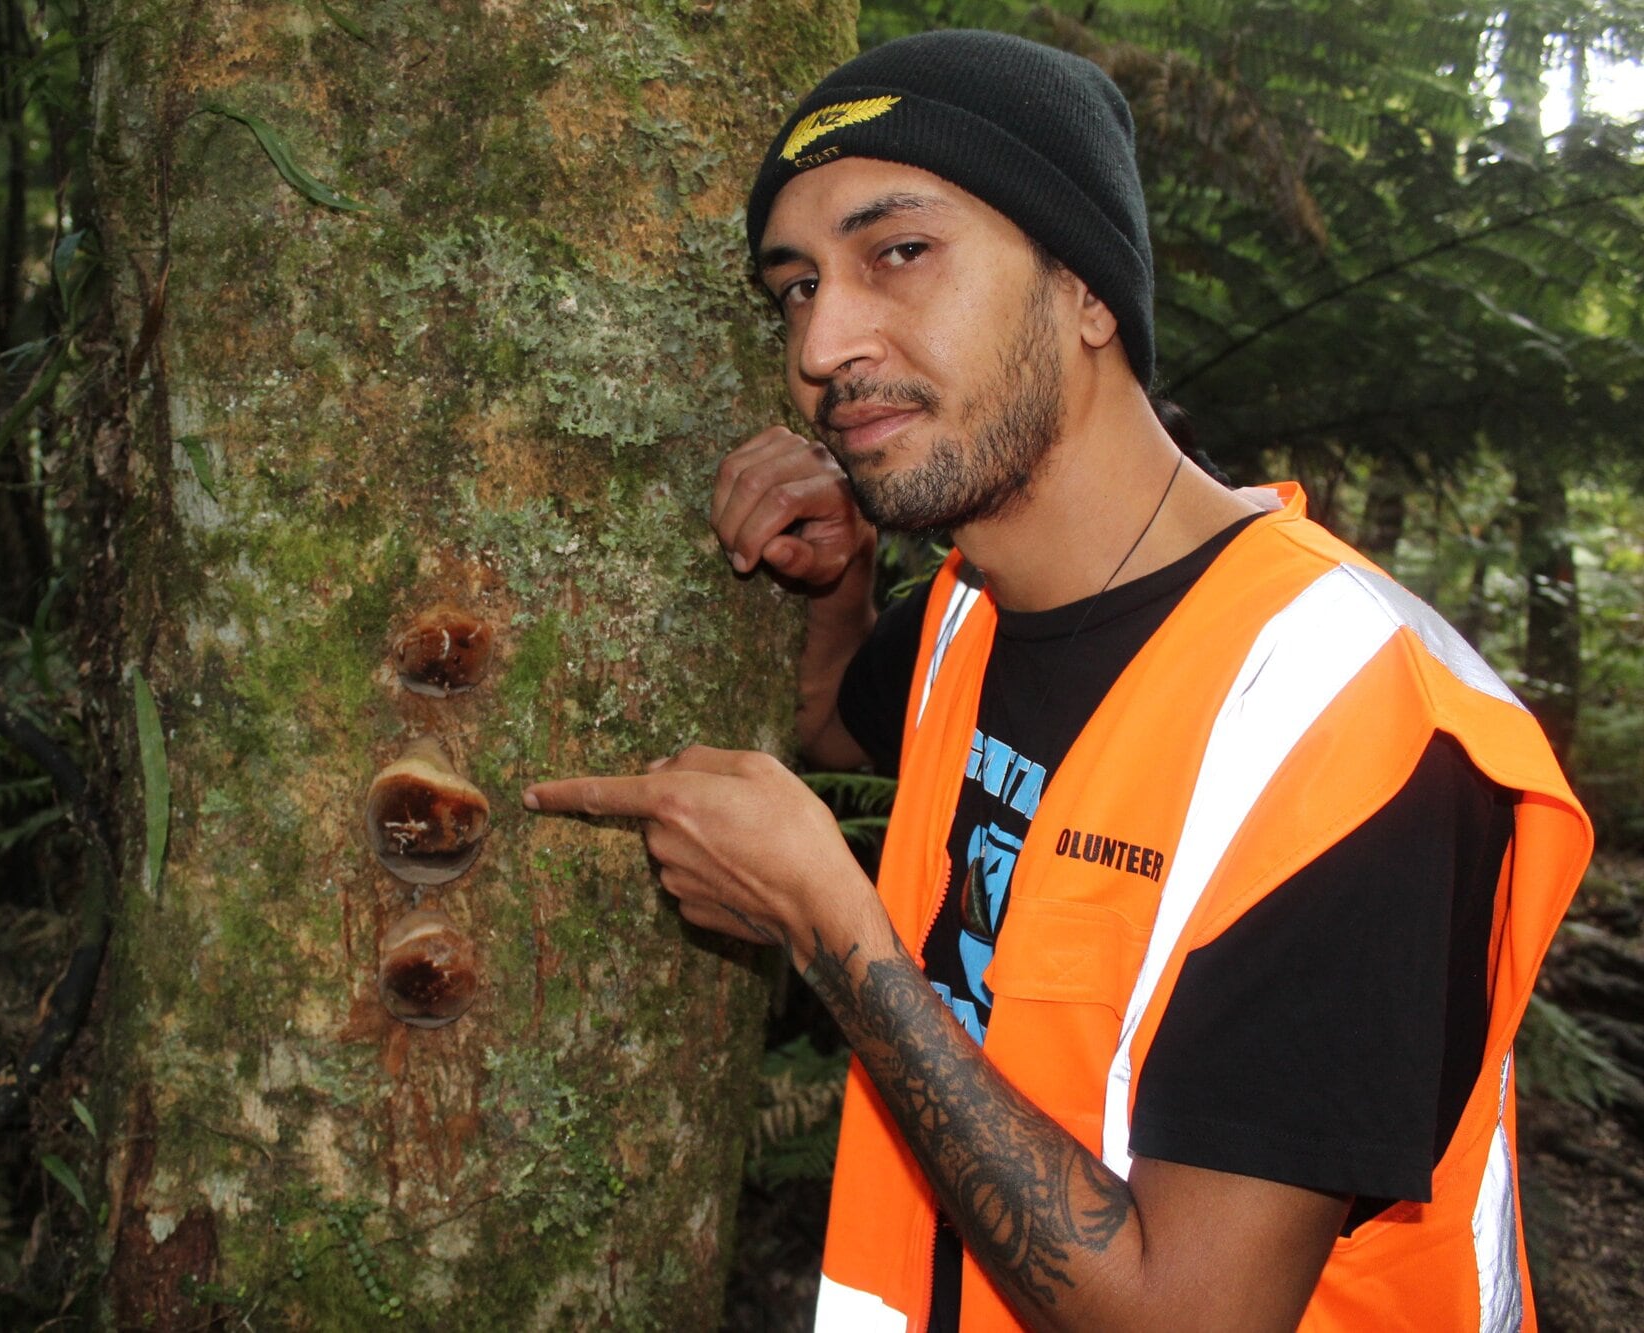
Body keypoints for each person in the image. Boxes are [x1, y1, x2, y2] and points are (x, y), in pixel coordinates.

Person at [523, 30, 1592, 1332]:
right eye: (795, 288)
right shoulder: (974, 612)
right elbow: (831, 724)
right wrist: (839, 580)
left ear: (1088, 288)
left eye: (897, 252)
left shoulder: (1353, 720)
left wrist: (829, 930)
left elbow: (1194, 1313)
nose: (822, 344)